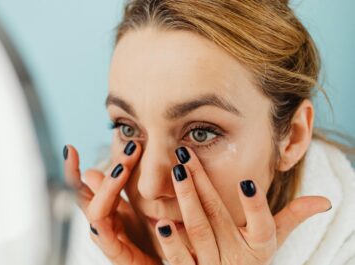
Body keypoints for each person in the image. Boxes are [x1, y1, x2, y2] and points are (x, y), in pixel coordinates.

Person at [63, 0, 355, 264]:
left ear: (292, 137)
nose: (149, 187)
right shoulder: (78, 246)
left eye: (201, 133)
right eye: (127, 128)